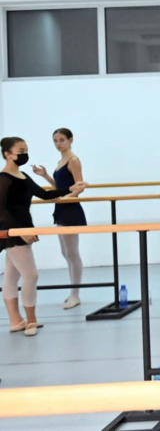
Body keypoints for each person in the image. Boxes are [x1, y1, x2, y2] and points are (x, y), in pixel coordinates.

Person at [1, 137, 85, 336]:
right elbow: (1, 209)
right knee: (31, 274)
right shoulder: (3, 178)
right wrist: (20, 231)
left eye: (26, 150)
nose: (25, 154)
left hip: (22, 229)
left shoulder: (22, 176)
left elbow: (44, 194)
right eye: (21, 151)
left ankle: (16, 321)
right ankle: (31, 320)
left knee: (12, 274)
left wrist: (70, 189)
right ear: (8, 154)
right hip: (13, 231)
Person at [31, 128, 87, 310]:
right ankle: (73, 292)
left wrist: (65, 199)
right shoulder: (60, 161)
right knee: (65, 252)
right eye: (55, 140)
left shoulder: (73, 160)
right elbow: (62, 187)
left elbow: (79, 187)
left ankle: (75, 295)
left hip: (70, 209)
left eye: (62, 140)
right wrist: (45, 176)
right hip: (61, 208)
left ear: (71, 140)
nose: (58, 144)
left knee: (72, 253)